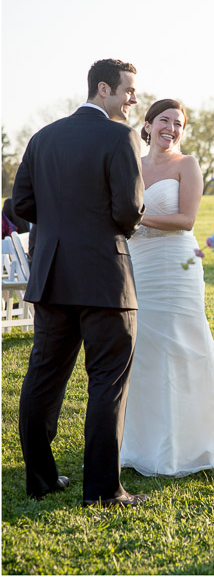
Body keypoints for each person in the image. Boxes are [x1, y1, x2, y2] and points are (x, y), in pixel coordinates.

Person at [12, 58, 148, 507]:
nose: (133, 99)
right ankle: (104, 492)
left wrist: (59, 227)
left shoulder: (42, 137)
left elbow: (23, 203)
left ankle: (41, 480)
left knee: (43, 377)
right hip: (105, 278)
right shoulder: (119, 136)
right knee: (107, 380)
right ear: (104, 88)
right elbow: (129, 210)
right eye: (129, 90)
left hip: (51, 276)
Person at [120, 99, 214, 477]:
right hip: (139, 265)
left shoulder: (187, 165)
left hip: (175, 267)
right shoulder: (133, 166)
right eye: (164, 120)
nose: (171, 128)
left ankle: (195, 443)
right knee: (144, 350)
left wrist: (137, 218)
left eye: (178, 123)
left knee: (183, 345)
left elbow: (186, 220)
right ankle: (143, 443)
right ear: (148, 124)